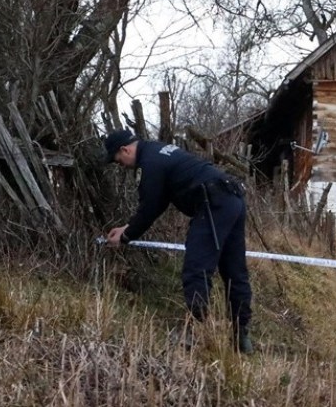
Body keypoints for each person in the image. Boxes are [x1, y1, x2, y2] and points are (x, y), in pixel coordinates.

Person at [103, 129, 253, 354]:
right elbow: (160, 201)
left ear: (125, 149)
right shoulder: (158, 150)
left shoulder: (149, 163)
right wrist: (128, 228)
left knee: (196, 268)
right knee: (235, 272)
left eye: (118, 160)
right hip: (231, 198)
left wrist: (125, 237)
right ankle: (242, 338)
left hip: (211, 201)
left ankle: (195, 330)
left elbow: (149, 208)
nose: (121, 165)